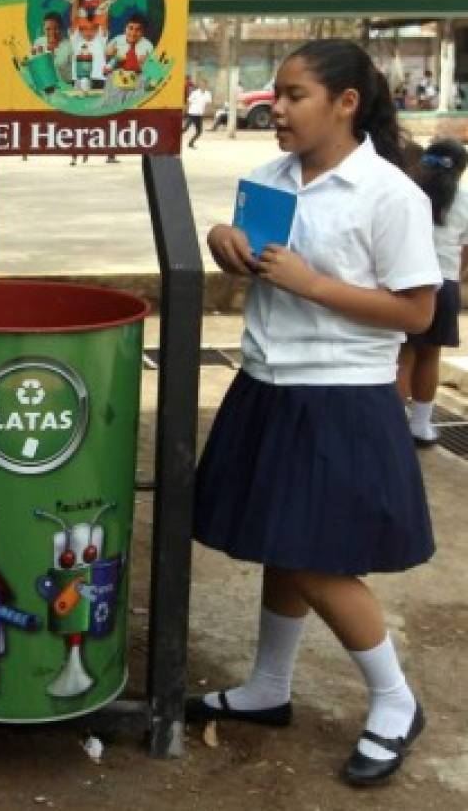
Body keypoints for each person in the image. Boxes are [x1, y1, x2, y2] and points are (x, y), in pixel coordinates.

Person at [190, 39, 441, 788]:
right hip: (267, 382)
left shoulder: (388, 195)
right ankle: (269, 685)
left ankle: (395, 702)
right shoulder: (268, 176)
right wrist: (222, 241)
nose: (276, 109)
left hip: (340, 397)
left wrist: (310, 283)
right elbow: (246, 254)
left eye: (294, 95)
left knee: (316, 559)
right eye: (276, 94)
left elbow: (418, 311)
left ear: (344, 103)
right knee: (280, 541)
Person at [398, 139, 468, 445]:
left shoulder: (406, 192)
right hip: (446, 283)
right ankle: (422, 426)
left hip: (409, 280)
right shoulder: (464, 201)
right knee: (430, 356)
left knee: (404, 354)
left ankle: (395, 424)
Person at [183, 79, 213, 149]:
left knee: (199, 131)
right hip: (192, 113)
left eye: (204, 84)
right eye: (201, 84)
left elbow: (208, 103)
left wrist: (206, 111)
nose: (203, 86)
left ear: (206, 85)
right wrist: (186, 110)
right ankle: (175, 141)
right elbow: (189, 101)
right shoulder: (195, 93)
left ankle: (191, 143)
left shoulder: (208, 94)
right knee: (185, 129)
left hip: (199, 115)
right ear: (199, 85)